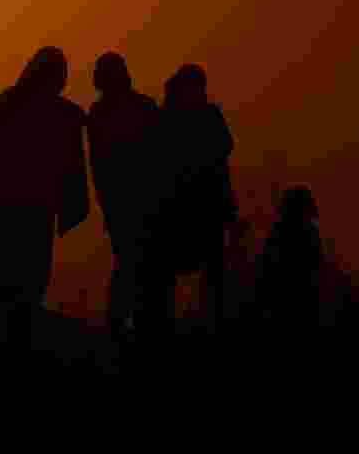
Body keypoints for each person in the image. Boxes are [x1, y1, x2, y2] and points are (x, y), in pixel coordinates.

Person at [0, 47, 90, 399]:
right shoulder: (61, 114)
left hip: (5, 217)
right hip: (28, 215)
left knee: (5, 294)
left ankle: (3, 370)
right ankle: (13, 371)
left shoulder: (12, 103)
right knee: (25, 290)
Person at [141, 63, 237, 339]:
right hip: (197, 206)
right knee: (210, 271)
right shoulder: (206, 116)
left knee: (171, 272)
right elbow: (223, 152)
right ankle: (212, 326)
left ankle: (165, 329)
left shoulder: (167, 118)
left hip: (181, 207)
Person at [86, 52, 161, 340]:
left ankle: (121, 325)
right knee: (140, 263)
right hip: (142, 201)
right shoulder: (144, 108)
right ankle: (138, 325)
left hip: (121, 201)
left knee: (128, 262)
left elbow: (100, 167)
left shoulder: (99, 115)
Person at [254, 185, 322, 334]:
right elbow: (315, 265)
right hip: (301, 302)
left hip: (281, 304)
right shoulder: (310, 233)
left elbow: (265, 271)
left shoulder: (277, 234)